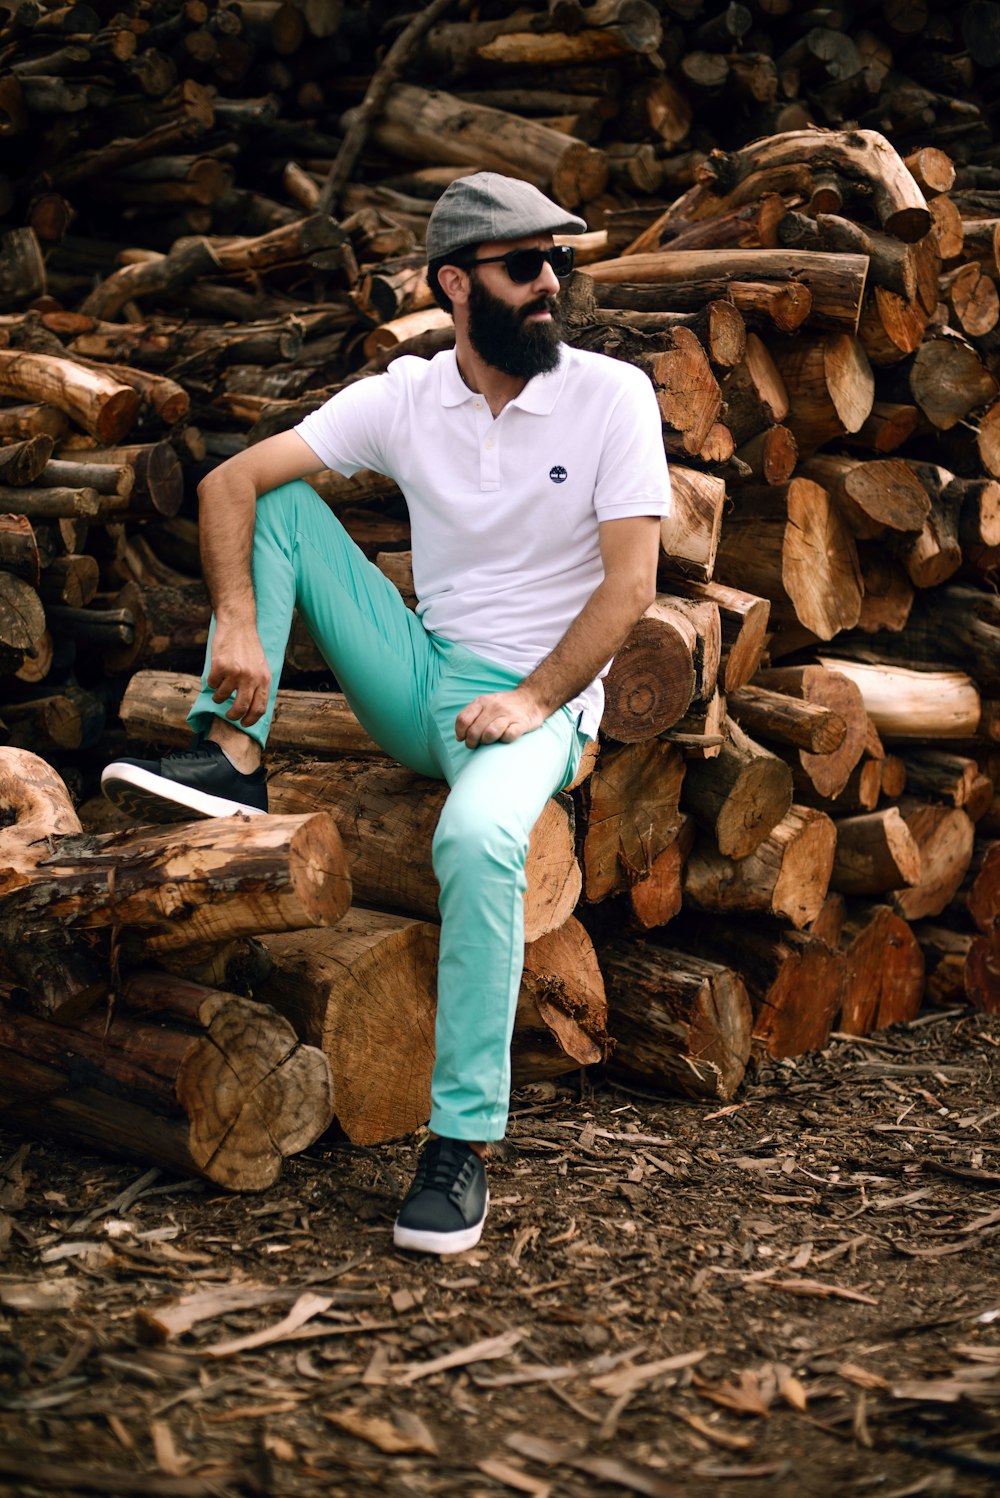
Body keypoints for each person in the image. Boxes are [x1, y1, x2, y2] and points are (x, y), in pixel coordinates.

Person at [102, 172, 671, 1255]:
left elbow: (631, 585)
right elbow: (231, 481)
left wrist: (536, 698)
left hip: (537, 701)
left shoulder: (610, 396)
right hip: (421, 679)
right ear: (456, 283)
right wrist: (234, 618)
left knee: (475, 837)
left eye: (555, 261)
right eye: (522, 265)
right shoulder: (409, 396)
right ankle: (235, 756)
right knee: (279, 499)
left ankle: (458, 1143)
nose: (549, 282)